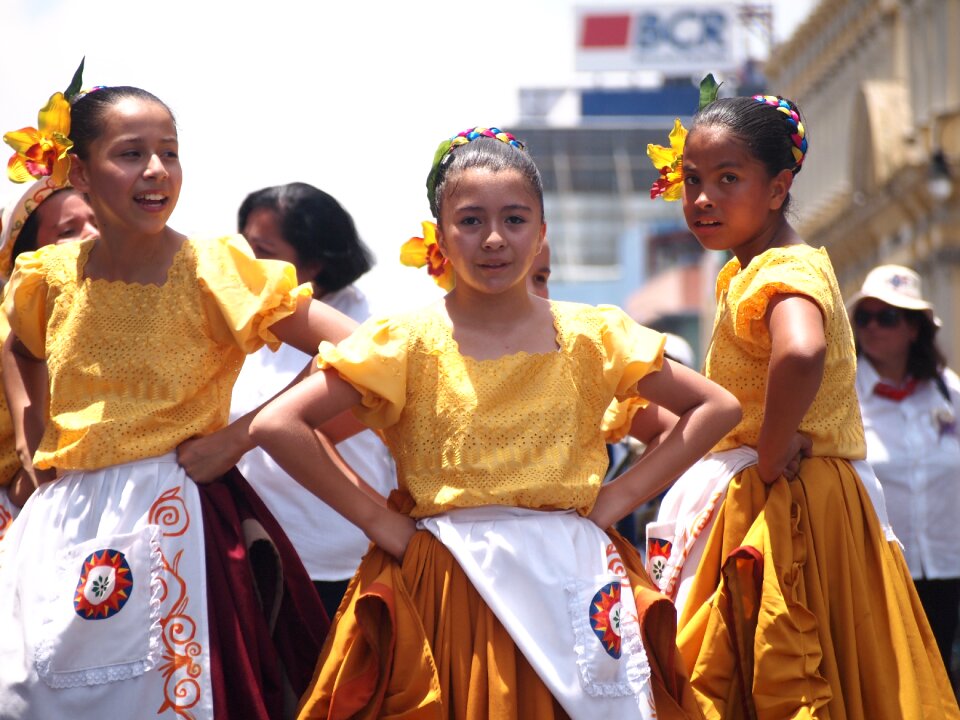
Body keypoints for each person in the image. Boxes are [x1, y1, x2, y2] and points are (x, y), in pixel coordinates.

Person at [250, 126, 741, 719]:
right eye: (470, 220)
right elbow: (279, 425)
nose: (493, 240)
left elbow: (718, 407)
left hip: (573, 573)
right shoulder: (407, 340)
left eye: (514, 219)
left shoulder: (593, 333)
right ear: (441, 235)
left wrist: (616, 501)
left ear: (541, 232)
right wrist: (384, 525)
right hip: (451, 577)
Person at [0, 75, 358, 720]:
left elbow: (362, 353)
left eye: (169, 151)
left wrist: (239, 436)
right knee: (36, 696)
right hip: (62, 523)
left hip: (182, 516)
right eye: (131, 153)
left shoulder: (215, 269)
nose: (157, 171)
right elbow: (21, 351)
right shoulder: (47, 277)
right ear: (78, 170)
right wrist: (33, 443)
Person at [644, 89, 960, 717]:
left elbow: (801, 351)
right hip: (802, 496)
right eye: (694, 180)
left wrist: (767, 453)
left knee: (770, 670)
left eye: (728, 178)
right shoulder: (761, 265)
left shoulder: (776, 268)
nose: (703, 198)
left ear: (779, 185)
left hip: (784, 502)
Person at [231, 181, 397, 619]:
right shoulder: (237, 321)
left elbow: (305, 426)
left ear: (317, 261)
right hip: (254, 551)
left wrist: (232, 440)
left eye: (262, 249)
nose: (244, 263)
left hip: (338, 558)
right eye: (242, 245)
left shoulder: (372, 329)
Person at [849, 264, 960, 689]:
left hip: (948, 570)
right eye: (865, 316)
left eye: (889, 316)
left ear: (915, 328)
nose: (874, 326)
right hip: (878, 573)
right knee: (891, 688)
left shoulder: (948, 390)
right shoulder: (841, 396)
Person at [0, 178, 98, 539]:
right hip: (32, 511)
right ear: (30, 260)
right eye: (69, 230)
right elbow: (33, 458)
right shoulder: (15, 330)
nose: (91, 234)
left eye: (97, 222)